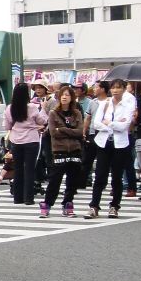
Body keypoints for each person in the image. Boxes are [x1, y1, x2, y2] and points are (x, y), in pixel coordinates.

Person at [88, 78, 136, 218]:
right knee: (100, 176)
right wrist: (112, 126)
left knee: (117, 176)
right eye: (113, 88)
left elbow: (124, 126)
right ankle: (94, 206)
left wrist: (109, 123)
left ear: (124, 89)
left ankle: (114, 205)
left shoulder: (127, 105)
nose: (115, 90)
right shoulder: (104, 104)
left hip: (120, 144)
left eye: (118, 87)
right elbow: (96, 123)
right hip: (104, 142)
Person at [42, 85, 85, 217]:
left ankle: (68, 203)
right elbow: (53, 133)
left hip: (75, 150)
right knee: (55, 179)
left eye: (67, 95)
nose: (65, 97)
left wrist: (62, 129)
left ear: (72, 97)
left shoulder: (77, 113)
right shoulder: (53, 113)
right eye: (62, 95)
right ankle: (47, 204)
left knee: (72, 180)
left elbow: (79, 132)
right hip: (59, 150)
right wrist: (68, 131)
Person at [4, 83, 47, 206]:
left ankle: (17, 198)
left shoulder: (9, 108)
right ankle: (28, 198)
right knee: (29, 169)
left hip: (16, 140)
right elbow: (42, 121)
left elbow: (7, 126)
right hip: (31, 140)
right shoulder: (32, 107)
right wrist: (43, 109)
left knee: (17, 169)